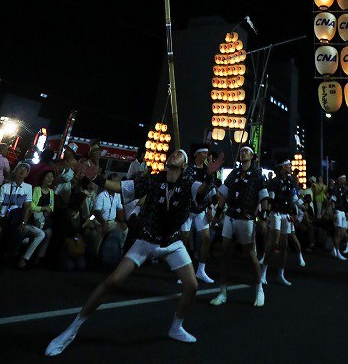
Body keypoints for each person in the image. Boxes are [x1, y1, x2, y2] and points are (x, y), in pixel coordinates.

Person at [44, 148, 223, 355]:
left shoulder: (188, 184)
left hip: (173, 242)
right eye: (173, 153)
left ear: (184, 165)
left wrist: (209, 175)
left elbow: (202, 191)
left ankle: (176, 327)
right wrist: (99, 179)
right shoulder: (153, 179)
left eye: (180, 155)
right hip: (146, 240)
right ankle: (71, 330)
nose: (174, 154)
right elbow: (120, 187)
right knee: (112, 282)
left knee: (191, 286)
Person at [209, 145, 269, 307]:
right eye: (241, 151)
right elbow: (223, 195)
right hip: (230, 217)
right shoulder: (234, 172)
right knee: (225, 254)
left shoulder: (257, 174)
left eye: (246, 151)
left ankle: (259, 289)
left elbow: (264, 198)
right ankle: (222, 292)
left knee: (250, 254)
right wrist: (216, 215)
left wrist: (263, 218)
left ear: (253, 156)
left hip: (247, 218)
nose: (243, 153)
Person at [0, 161, 47, 271]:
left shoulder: (28, 187)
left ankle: (6, 259)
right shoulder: (5, 187)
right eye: (20, 168)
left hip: (16, 221)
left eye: (25, 170)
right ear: (15, 171)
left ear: (27, 174)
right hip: (3, 219)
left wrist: (23, 222)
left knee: (19, 234)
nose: (22, 170)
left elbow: (27, 207)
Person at [261, 160, 304, 287]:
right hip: (276, 213)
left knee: (284, 245)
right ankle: (263, 271)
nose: (290, 167)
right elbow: (270, 199)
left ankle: (281, 274)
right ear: (281, 167)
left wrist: (301, 208)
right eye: (288, 165)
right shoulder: (274, 182)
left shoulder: (290, 181)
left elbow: (294, 197)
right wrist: (265, 216)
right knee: (275, 242)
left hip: (287, 214)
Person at [180, 147, 218, 284]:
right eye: (204, 153)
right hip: (187, 209)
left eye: (207, 153)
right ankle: (183, 271)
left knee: (206, 238)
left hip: (201, 209)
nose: (206, 155)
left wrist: (212, 208)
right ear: (197, 154)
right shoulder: (188, 170)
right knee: (183, 240)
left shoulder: (208, 171)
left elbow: (212, 190)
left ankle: (201, 270)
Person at [93, 173, 128, 260]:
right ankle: (94, 257)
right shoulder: (101, 196)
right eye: (114, 182)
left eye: (117, 182)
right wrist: (103, 223)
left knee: (125, 230)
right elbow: (96, 212)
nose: (116, 184)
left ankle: (120, 251)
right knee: (99, 236)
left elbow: (119, 209)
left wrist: (122, 222)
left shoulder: (117, 195)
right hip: (100, 222)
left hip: (112, 222)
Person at [26, 168, 56, 267]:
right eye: (48, 177)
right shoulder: (37, 189)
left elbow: (51, 207)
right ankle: (29, 257)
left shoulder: (51, 192)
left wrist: (48, 210)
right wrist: (43, 209)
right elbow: (32, 206)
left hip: (44, 220)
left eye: (52, 177)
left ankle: (38, 258)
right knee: (41, 233)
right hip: (33, 219)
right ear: (43, 178)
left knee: (49, 233)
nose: (50, 179)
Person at [329, 175, 348, 259]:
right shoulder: (335, 188)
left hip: (343, 211)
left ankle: (334, 249)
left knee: (342, 232)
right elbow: (333, 200)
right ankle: (337, 252)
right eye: (343, 178)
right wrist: (334, 211)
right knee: (338, 232)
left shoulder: (344, 189)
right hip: (338, 211)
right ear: (339, 179)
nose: (345, 180)